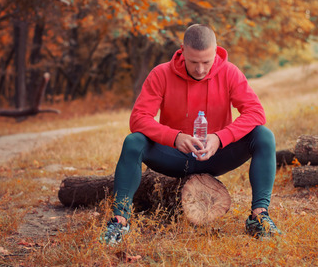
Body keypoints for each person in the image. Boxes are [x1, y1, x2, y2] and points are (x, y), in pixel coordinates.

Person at [101, 24, 281, 244]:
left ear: (216, 51)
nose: (201, 70)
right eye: (194, 62)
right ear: (182, 50)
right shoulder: (161, 73)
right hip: (173, 156)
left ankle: (259, 217)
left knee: (263, 136)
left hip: (216, 155)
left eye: (206, 62)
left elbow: (255, 113)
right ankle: (119, 221)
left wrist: (220, 138)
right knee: (133, 141)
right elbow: (138, 118)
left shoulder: (229, 72)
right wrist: (174, 137)